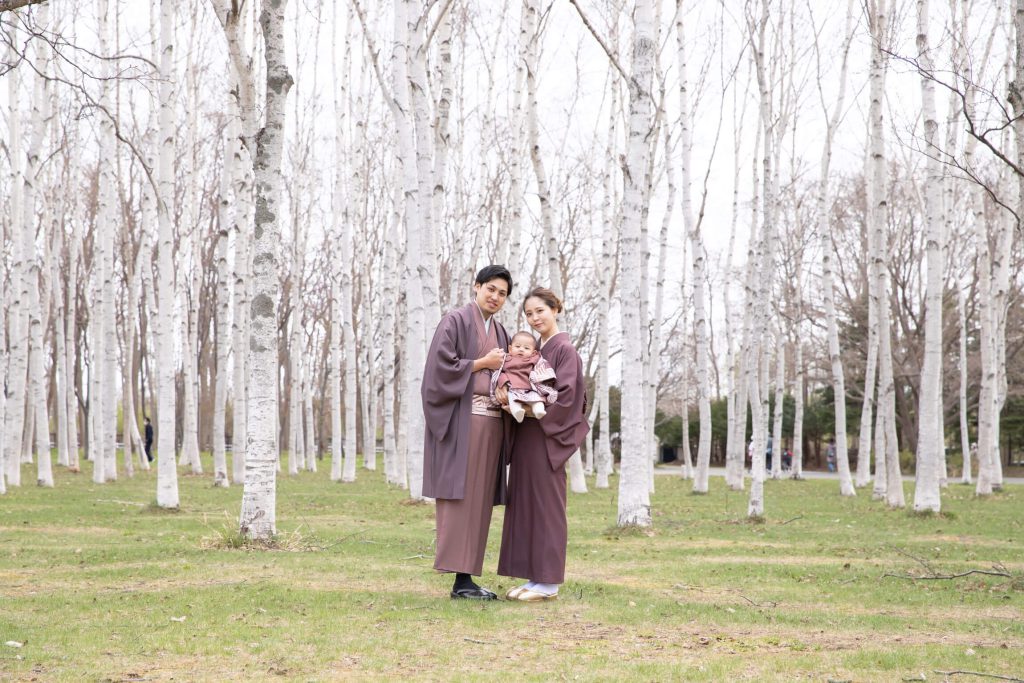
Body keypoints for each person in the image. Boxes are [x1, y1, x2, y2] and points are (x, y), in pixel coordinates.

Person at [422, 265, 515, 600]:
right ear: (476, 287)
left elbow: (508, 373)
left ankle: (468, 579)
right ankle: (461, 580)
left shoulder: (501, 332)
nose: (495, 297)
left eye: (502, 293)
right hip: (463, 423)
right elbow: (438, 370)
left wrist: (506, 391)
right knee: (461, 500)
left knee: (480, 502)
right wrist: (481, 363)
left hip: (492, 425)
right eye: (491, 289)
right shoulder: (455, 322)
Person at [496, 287, 589, 602]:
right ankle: (534, 577)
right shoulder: (535, 351)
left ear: (555, 309)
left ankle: (549, 582)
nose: (535, 318)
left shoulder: (565, 351)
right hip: (528, 435)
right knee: (528, 505)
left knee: (547, 507)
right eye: (529, 313)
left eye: (540, 311)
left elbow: (569, 398)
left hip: (546, 437)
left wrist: (529, 410)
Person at [489, 331, 557, 423]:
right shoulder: (506, 359)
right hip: (513, 388)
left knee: (537, 399)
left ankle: (538, 410)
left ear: (533, 352)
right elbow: (499, 372)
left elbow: (542, 367)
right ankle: (517, 412)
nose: (521, 349)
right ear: (510, 349)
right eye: (517, 346)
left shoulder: (534, 359)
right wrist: (502, 381)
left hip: (529, 388)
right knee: (512, 399)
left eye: (526, 348)